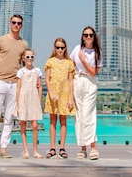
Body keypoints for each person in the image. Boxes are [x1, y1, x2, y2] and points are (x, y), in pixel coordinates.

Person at [0, 14, 28, 160]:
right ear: (10, 23)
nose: (16, 25)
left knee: (9, 118)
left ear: (22, 26)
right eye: (14, 22)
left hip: (14, 84)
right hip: (0, 82)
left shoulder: (24, 44)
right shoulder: (0, 40)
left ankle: (4, 149)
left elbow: (24, 66)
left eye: (19, 23)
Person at [70, 26, 102, 160]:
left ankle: (93, 147)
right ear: (82, 37)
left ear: (94, 37)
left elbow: (94, 72)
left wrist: (83, 60)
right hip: (78, 81)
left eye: (91, 35)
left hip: (89, 82)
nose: (88, 37)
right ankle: (83, 148)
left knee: (88, 115)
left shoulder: (97, 52)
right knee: (79, 116)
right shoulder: (77, 49)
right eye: (86, 35)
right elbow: (70, 66)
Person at [43, 37, 75, 159]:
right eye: (57, 47)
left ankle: (62, 148)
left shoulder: (69, 63)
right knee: (52, 120)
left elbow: (71, 82)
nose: (60, 49)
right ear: (54, 48)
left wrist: (70, 98)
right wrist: (50, 93)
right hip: (53, 93)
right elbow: (46, 79)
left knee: (63, 121)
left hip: (65, 94)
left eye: (62, 47)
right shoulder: (50, 61)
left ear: (65, 48)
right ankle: (52, 148)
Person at [15, 48, 43, 159]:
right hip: (23, 98)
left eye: (32, 57)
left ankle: (35, 151)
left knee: (35, 125)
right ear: (23, 58)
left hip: (34, 98)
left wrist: (39, 100)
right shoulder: (21, 72)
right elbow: (18, 88)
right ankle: (26, 151)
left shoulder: (37, 70)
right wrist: (18, 103)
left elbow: (40, 86)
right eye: (28, 57)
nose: (30, 59)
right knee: (23, 124)